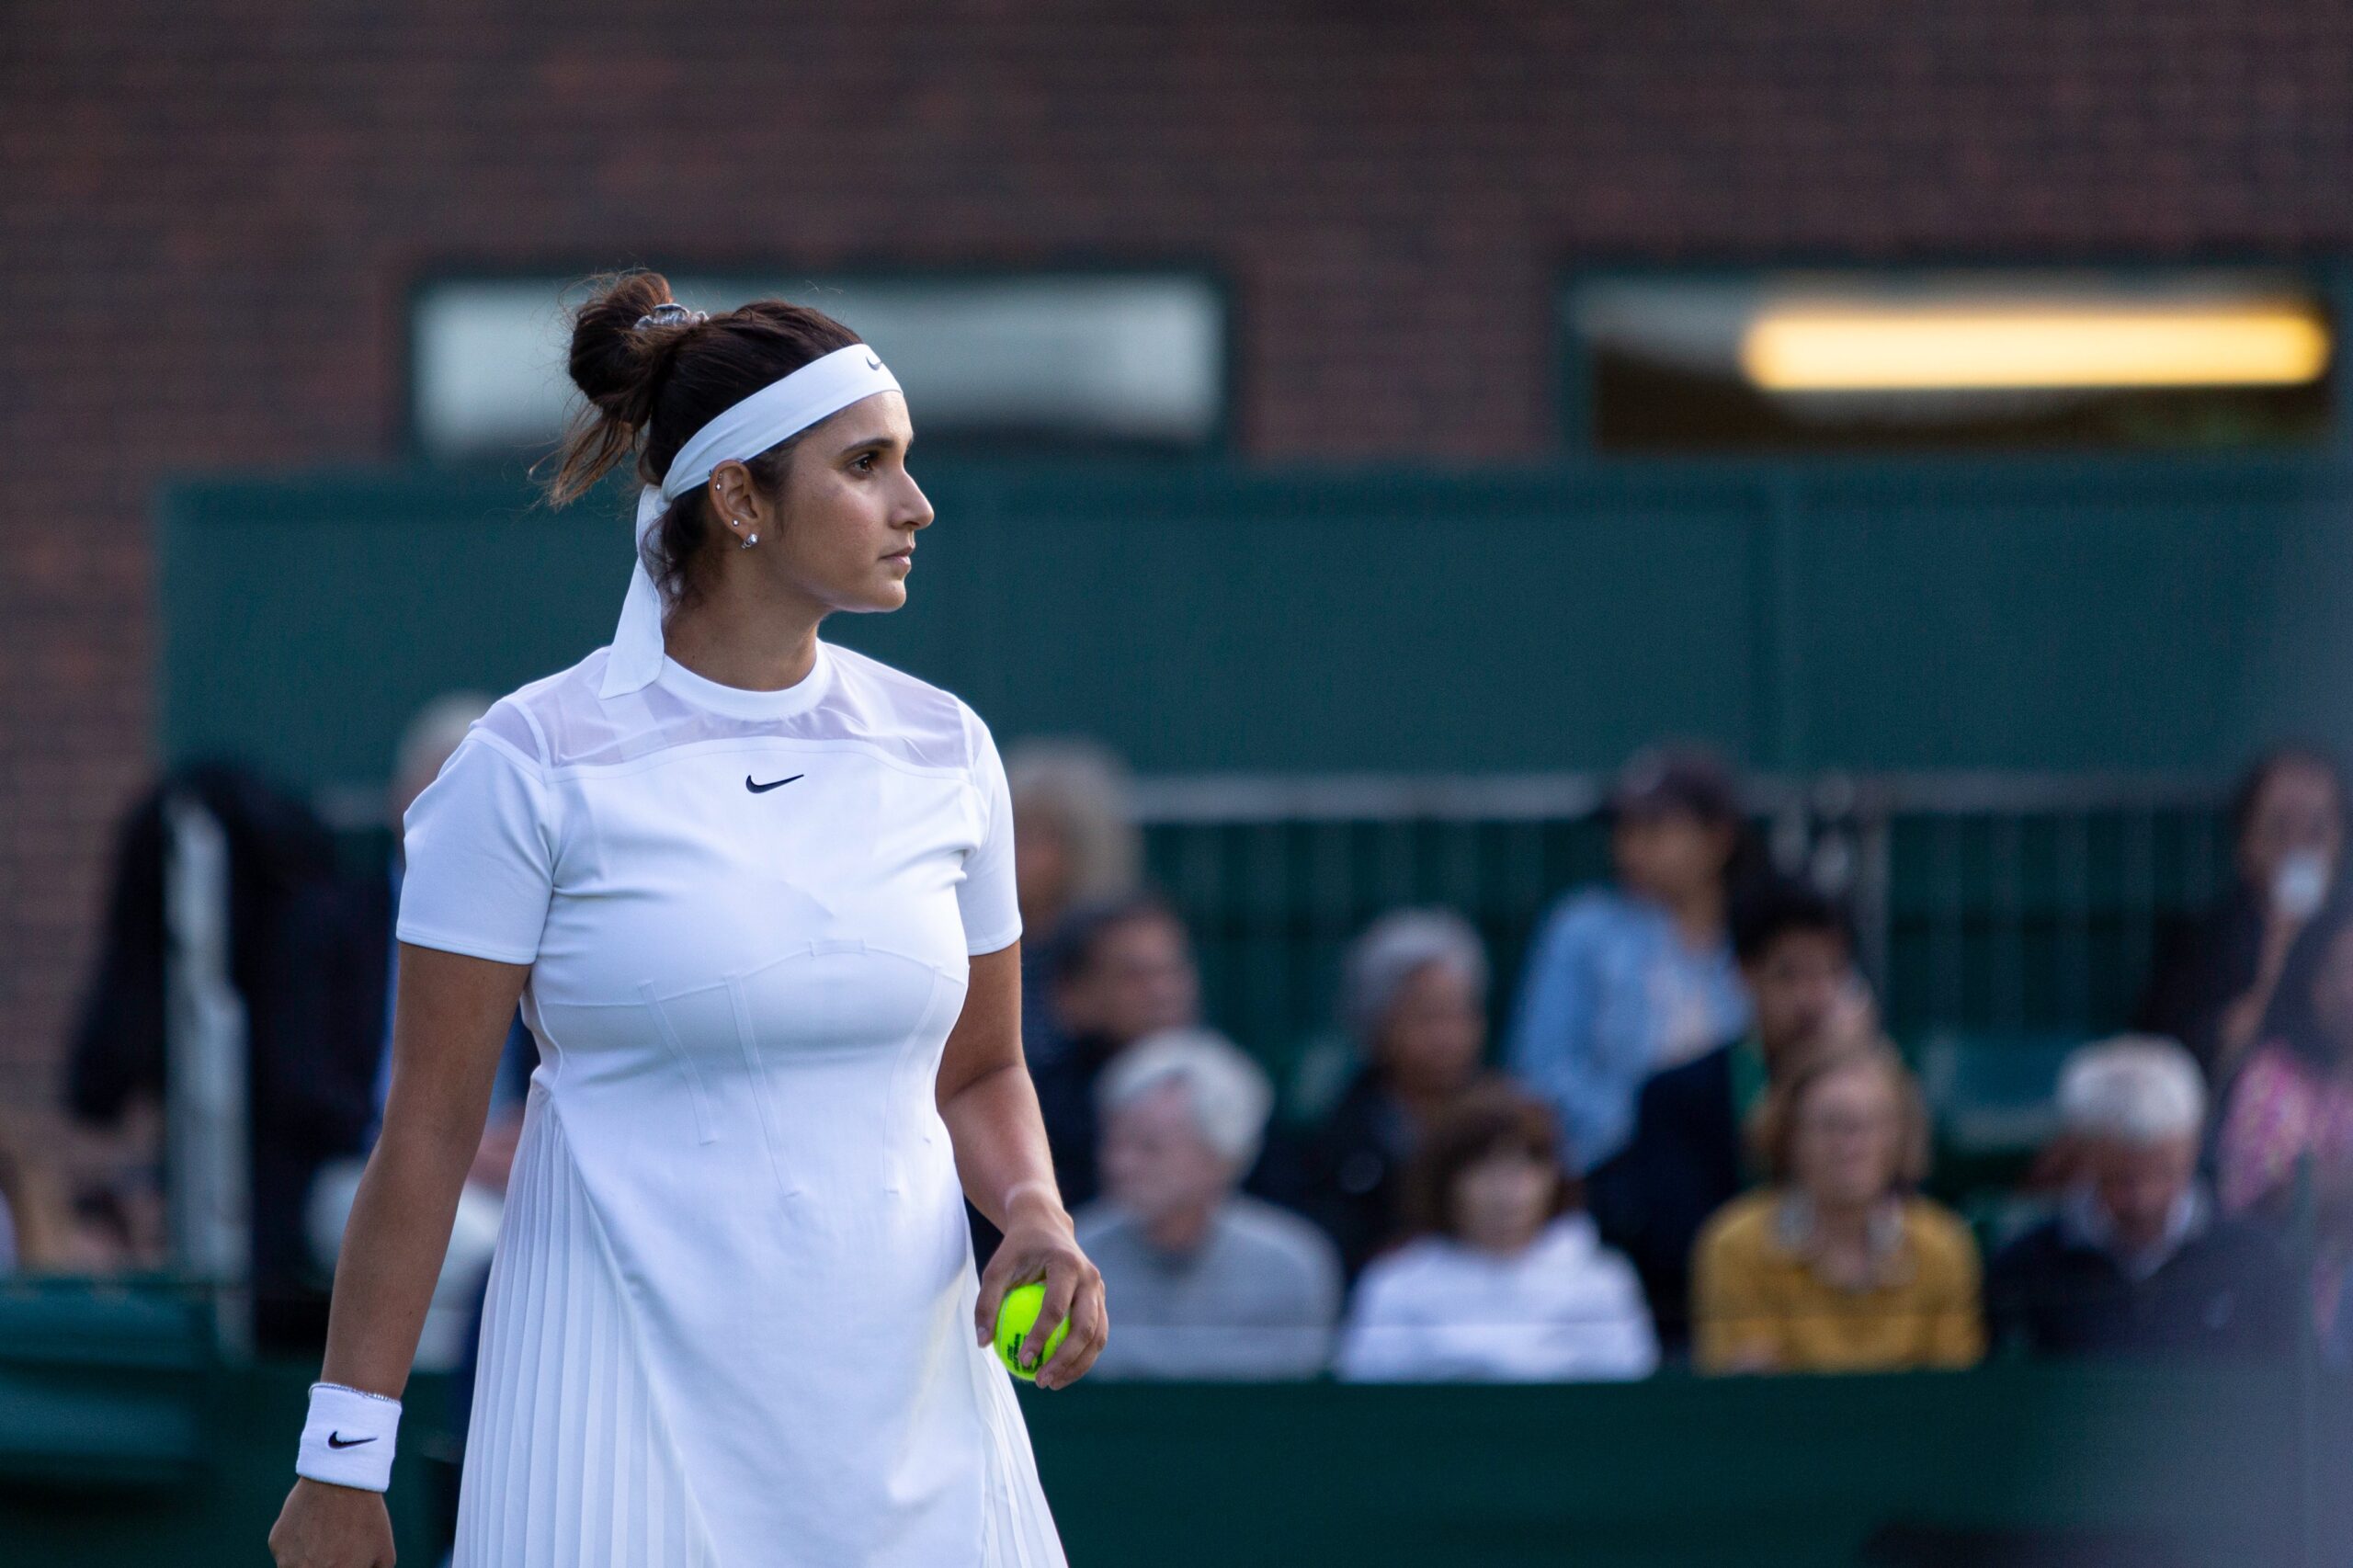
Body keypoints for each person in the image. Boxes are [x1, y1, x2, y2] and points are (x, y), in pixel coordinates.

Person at [269, 274, 1101, 1568]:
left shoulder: (948, 750)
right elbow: (426, 1136)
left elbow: (982, 1068)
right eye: (867, 464)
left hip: (915, 1413)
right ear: (738, 499)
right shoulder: (526, 766)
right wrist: (342, 1457)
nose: (914, 504)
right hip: (607, 1420)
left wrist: (1037, 1213)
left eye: (908, 462)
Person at [302, 691, 537, 1372]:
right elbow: (301, 1084)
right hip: (365, 1168)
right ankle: (429, 1438)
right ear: (401, 801)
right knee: (480, 1254)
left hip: (514, 1176)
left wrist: (523, 1135)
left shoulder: (537, 924)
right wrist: (440, 1143)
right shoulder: (331, 925)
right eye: (441, 792)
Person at [1587, 879, 1873, 1342]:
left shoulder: (1877, 1090)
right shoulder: (1675, 1096)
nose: (1812, 998)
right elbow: (1678, 1249)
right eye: (1789, 975)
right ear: (1743, 975)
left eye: (1830, 973)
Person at [1505, 746, 1753, 1174]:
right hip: (1615, 1177)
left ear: (1718, 838)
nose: (1631, 849)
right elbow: (1540, 1074)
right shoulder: (1581, 930)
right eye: (1623, 831)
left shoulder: (1765, 931)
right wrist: (1652, 1132)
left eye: (1655, 830)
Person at [1988, 1037, 2293, 1360]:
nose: (2143, 1200)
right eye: (2120, 1179)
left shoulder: (2256, 1261)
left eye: (2163, 1173)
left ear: (2191, 1150)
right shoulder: (2024, 1269)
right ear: (2083, 1157)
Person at [1336, 1078, 1656, 1383]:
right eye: (1484, 1168)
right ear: (1445, 1182)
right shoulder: (1394, 1285)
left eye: (1528, 1166)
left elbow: (1627, 1410)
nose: (1509, 1192)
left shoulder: (1603, 1283)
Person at [1692, 1045, 1981, 1375]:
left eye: (1870, 1123)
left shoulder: (1942, 1248)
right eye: (1831, 1124)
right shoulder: (1735, 1246)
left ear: (1901, 1136)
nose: (1851, 1145)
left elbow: (1955, 1398)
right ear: (1790, 1135)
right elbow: (1740, 1396)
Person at [1075, 1028, 1342, 1380]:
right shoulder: (1071, 1254)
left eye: (1148, 1147)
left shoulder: (1290, 1266)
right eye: (1114, 1143)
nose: (1120, 1164)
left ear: (1223, 1157)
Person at [1290, 909, 1491, 1278]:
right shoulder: (1338, 1139)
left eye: (1461, 1014)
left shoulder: (1504, 1120)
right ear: (1377, 1025)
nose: (1448, 1037)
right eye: (1428, 1017)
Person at [2139, 747, 2347, 1081]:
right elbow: (2168, 1067)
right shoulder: (2204, 941)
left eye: (2316, 830)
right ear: (2246, 843)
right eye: (2281, 828)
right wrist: (2276, 956)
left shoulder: (2344, 933)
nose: (2299, 847)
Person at [2216, 895, 2353, 1338]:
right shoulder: (2271, 1076)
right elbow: (2271, 1204)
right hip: (2292, 1326)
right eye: (2343, 971)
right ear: (2311, 980)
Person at [1029, 892, 1202, 1208]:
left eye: (1172, 971)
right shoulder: (1034, 1110)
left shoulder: (1228, 1088)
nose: (1164, 991)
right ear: (1070, 994)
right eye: (1134, 976)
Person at [1004, 738, 1143, 1071]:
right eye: (1008, 833)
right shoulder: (981, 941)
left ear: (1085, 847)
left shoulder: (1120, 947)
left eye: (1038, 838)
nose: (1015, 853)